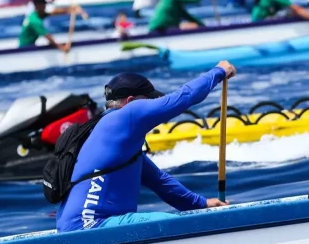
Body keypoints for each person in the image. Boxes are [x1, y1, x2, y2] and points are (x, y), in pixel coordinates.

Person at [57, 67, 233, 231]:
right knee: (173, 225)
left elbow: (159, 181)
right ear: (131, 101)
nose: (153, 105)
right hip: (90, 226)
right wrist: (218, 72)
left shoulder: (110, 134)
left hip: (80, 226)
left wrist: (203, 204)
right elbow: (184, 97)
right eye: (150, 101)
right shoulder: (127, 114)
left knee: (175, 221)